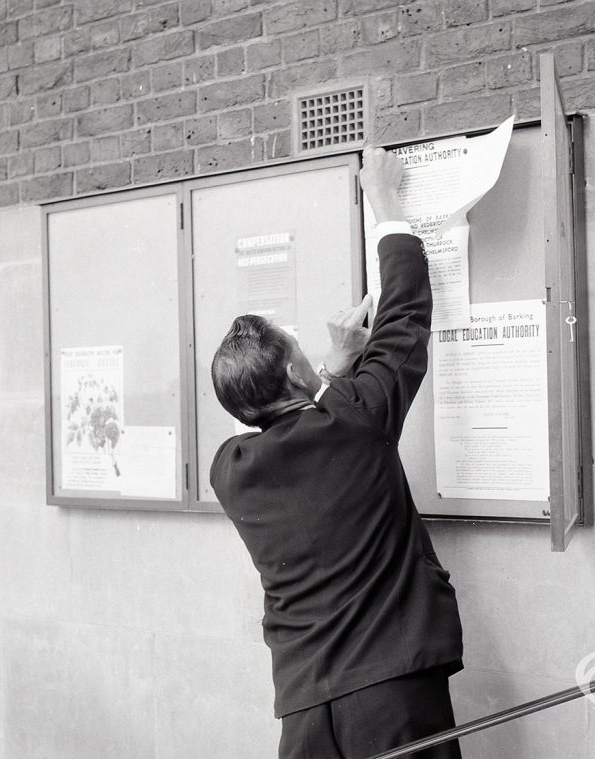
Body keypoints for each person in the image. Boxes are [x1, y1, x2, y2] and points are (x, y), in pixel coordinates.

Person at [210, 145, 464, 759]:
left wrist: (327, 372)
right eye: (296, 346)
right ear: (298, 378)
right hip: (393, 696)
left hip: (304, 711)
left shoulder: (229, 469)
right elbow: (404, 317)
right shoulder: (355, 418)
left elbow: (295, 427)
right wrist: (384, 197)